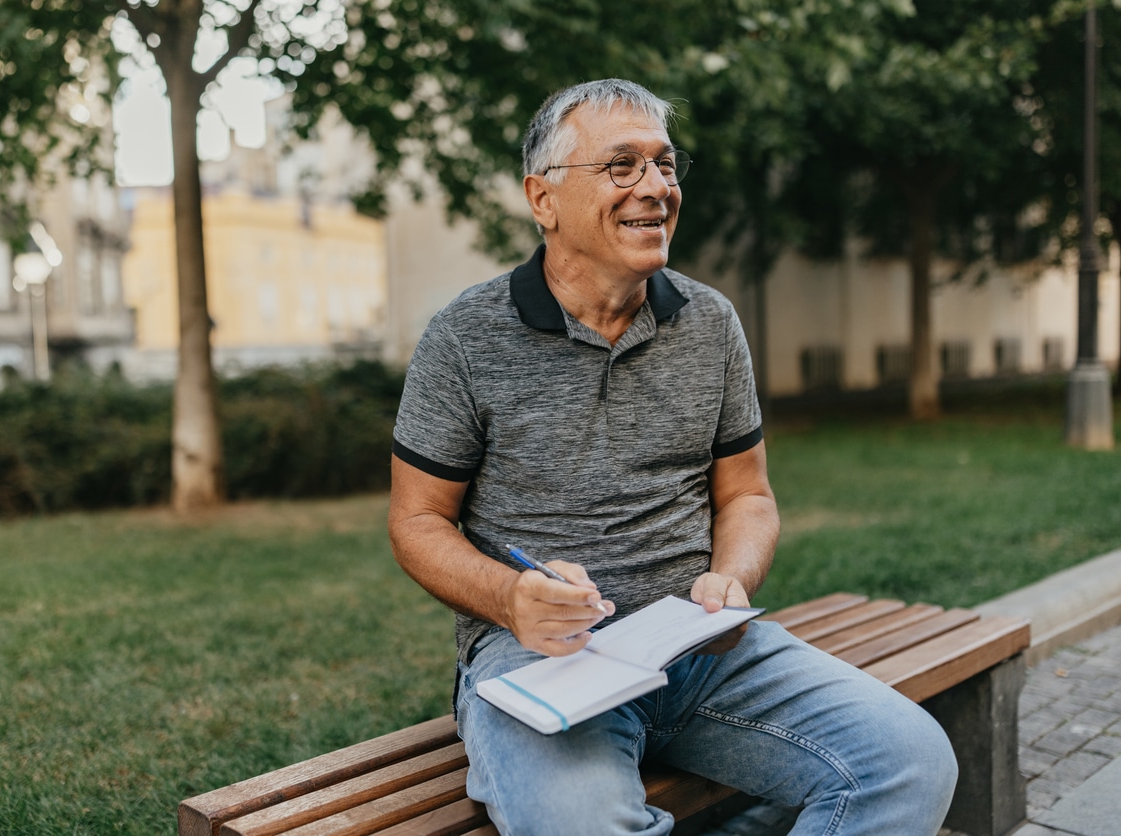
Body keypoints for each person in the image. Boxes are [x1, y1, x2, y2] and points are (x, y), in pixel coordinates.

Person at [388, 78, 957, 835]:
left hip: (700, 648)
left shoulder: (710, 322)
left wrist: (731, 579)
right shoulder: (464, 336)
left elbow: (747, 497)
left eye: (664, 164)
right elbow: (417, 521)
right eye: (621, 165)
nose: (655, 187)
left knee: (911, 762)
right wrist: (509, 599)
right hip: (540, 663)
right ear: (543, 198)